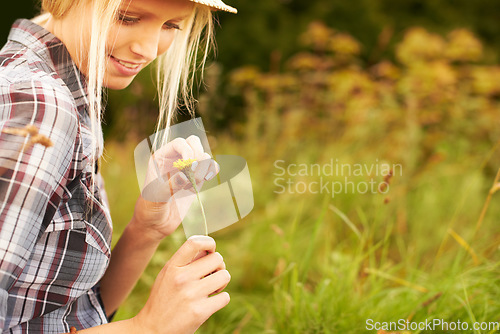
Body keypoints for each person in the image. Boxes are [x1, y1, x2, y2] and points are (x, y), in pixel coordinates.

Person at [0, 0, 237, 333]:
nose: (148, 48)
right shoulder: (43, 106)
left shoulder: (66, 88)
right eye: (127, 17)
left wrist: (146, 230)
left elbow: (68, 314)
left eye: (171, 25)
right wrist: (148, 327)